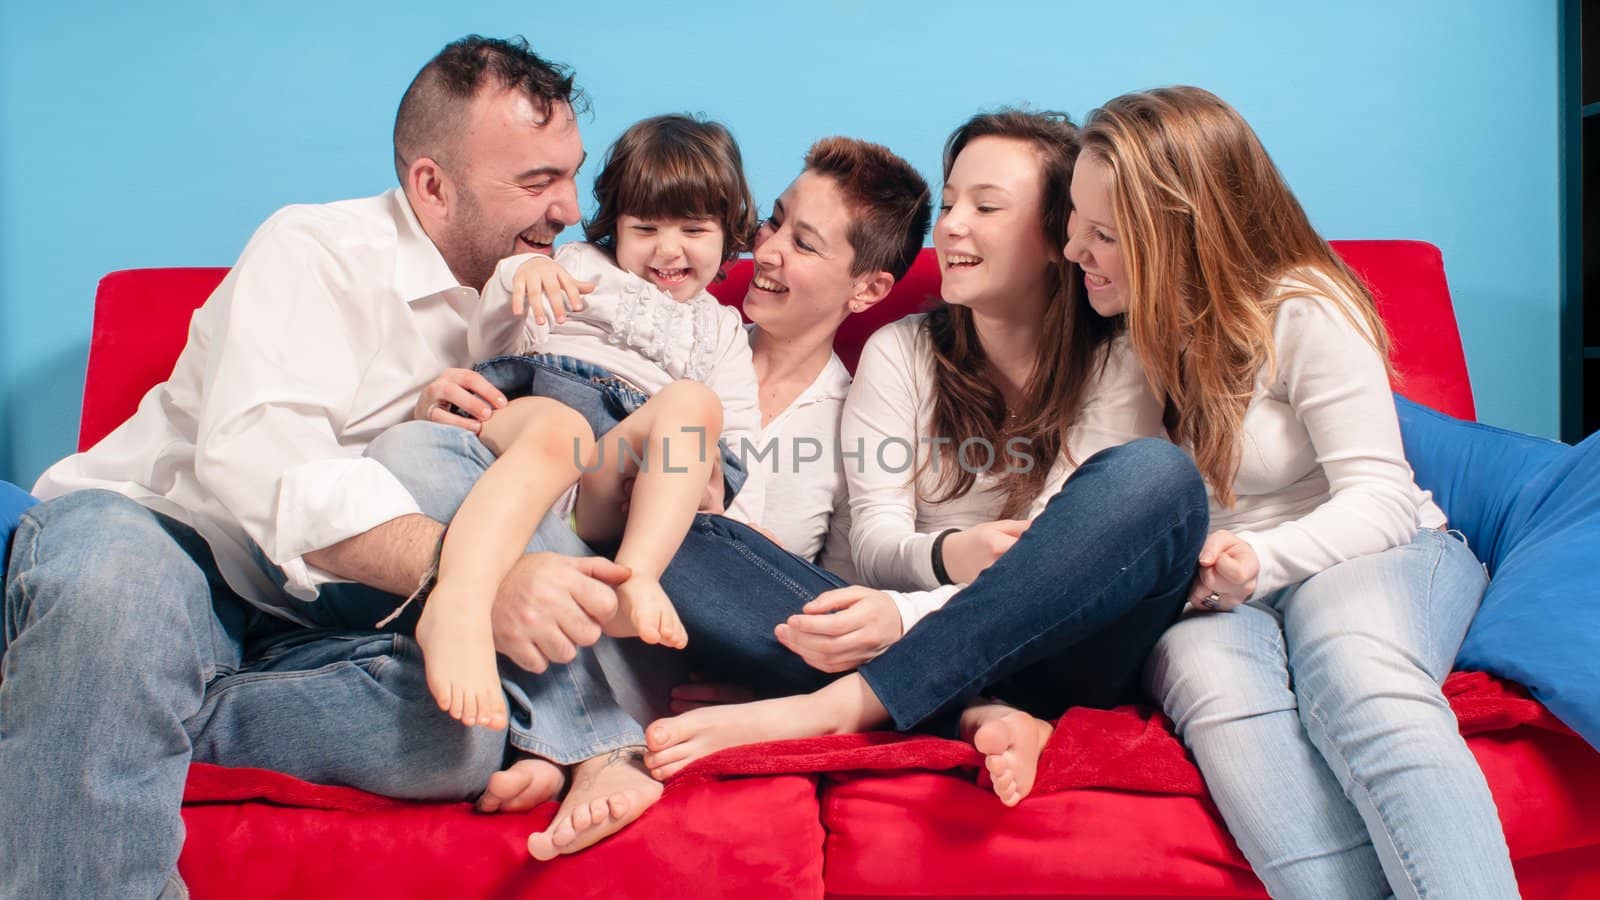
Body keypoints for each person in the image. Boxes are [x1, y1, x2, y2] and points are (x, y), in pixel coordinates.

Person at [0, 36, 651, 898]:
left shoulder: (525, 297)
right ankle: (96, 683)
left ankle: (86, 700)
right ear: (432, 185)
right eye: (535, 183)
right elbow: (261, 460)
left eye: (569, 174)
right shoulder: (315, 249)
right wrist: (472, 575)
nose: (569, 207)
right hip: (171, 541)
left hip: (319, 620)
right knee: (114, 589)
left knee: (459, 731)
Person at [379, 133, 934, 855]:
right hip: (540, 525)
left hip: (655, 637)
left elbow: (812, 597)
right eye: (772, 222)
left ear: (867, 290)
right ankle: (584, 744)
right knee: (428, 451)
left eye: (803, 242)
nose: (766, 251)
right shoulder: (643, 314)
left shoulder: (844, 419)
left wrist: (779, 693)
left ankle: (557, 745)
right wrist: (444, 389)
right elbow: (510, 342)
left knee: (677, 554)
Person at [640, 110, 1209, 810]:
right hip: (909, 633)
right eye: (949, 202)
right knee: (675, 530)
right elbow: (874, 543)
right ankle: (974, 713)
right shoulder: (901, 351)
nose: (952, 226)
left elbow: (1056, 574)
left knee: (1156, 477)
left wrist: (903, 620)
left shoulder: (1120, 361)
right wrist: (946, 556)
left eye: (987, 207)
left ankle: (839, 706)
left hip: (1066, 655)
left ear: (1061, 232)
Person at [1058, 86, 1516, 898]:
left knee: (1356, 673)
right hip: (1215, 596)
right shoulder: (1125, 349)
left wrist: (1254, 558)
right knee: (1222, 698)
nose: (1072, 251)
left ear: (1182, 233)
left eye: (1103, 235)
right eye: (1073, 223)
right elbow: (1097, 514)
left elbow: (1379, 496)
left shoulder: (1302, 308)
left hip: (1375, 550)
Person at [393, 114, 761, 730]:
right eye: (644, 229)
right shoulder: (577, 262)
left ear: (729, 233)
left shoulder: (721, 328)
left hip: (612, 479)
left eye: (694, 230)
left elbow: (742, 434)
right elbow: (492, 340)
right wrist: (520, 275)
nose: (668, 250)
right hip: (542, 405)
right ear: (614, 226)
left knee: (696, 404)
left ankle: (636, 576)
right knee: (558, 430)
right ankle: (459, 598)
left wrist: (731, 508)